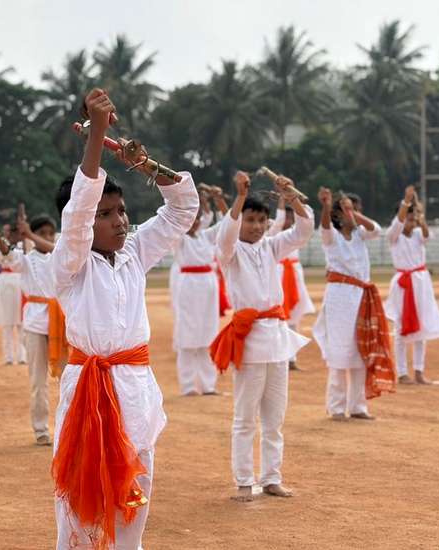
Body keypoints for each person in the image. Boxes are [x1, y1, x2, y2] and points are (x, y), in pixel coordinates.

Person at [50, 88, 198, 549]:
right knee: (79, 504)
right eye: (106, 214)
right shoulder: (69, 263)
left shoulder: (134, 251)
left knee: (136, 493)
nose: (119, 221)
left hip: (134, 390)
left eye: (121, 212)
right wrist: (97, 135)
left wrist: (146, 166)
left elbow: (182, 209)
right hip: (86, 395)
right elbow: (77, 214)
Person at [211, 170, 313, 502]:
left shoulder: (272, 247)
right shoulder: (230, 252)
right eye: (250, 220)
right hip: (250, 339)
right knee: (245, 416)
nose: (255, 226)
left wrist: (291, 196)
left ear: (269, 223)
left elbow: (304, 229)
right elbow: (224, 237)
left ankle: (271, 477)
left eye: (261, 220)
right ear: (241, 221)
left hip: (278, 338)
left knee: (274, 417)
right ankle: (244, 480)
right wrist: (239, 197)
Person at [0, 205, 65, 445]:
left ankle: (66, 428)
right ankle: (41, 429)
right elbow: (6, 253)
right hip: (35, 323)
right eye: (43, 232)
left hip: (61, 322)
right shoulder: (26, 260)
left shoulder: (61, 256)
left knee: (67, 378)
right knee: (38, 381)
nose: (48, 237)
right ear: (31, 233)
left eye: (51, 233)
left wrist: (30, 234)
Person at [312, 189, 394, 421]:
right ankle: (337, 407)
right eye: (347, 210)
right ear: (338, 215)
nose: (353, 213)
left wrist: (354, 214)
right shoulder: (332, 237)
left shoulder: (360, 235)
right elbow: (325, 228)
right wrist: (327, 206)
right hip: (339, 297)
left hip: (361, 296)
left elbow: (376, 230)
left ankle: (358, 407)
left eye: (355, 209)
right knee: (339, 352)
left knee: (361, 350)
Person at [384, 185, 439, 384]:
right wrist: (407, 201)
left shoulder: (419, 235)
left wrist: (421, 219)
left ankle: (419, 371)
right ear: (400, 219)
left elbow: (428, 236)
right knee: (402, 327)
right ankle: (402, 372)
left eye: (413, 219)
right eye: (408, 219)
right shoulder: (393, 236)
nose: (411, 223)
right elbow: (398, 223)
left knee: (423, 325)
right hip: (404, 284)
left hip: (421, 283)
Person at [169, 189, 223, 396]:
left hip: (208, 285)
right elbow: (172, 226)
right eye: (191, 219)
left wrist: (215, 201)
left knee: (208, 333)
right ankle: (189, 386)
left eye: (197, 218)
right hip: (188, 285)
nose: (195, 222)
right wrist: (183, 200)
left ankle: (209, 385)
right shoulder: (180, 239)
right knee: (187, 335)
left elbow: (227, 223)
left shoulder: (206, 236)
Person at [264, 195, 317, 371]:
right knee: (281, 317)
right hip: (279, 275)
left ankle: (292, 358)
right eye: (285, 216)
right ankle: (281, 356)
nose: (287, 220)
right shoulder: (273, 231)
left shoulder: (295, 234)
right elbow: (278, 221)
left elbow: (305, 225)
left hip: (295, 275)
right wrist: (281, 199)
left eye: (290, 217)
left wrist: (293, 200)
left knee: (295, 316)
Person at [0, 222, 27, 365]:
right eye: (7, 231)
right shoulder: (0, 246)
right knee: (7, 322)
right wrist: (6, 243)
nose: (9, 234)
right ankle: (8, 356)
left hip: (21, 281)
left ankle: (22, 356)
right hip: (6, 281)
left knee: (21, 321)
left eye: (12, 231)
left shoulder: (24, 245)